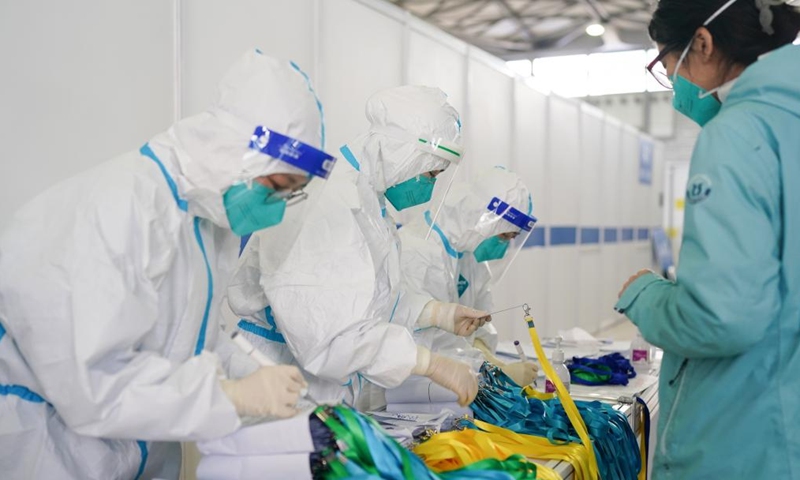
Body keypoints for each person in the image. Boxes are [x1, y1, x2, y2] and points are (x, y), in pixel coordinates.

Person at [0, 50, 336, 479]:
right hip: (54, 454)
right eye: (276, 187)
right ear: (237, 151)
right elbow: (94, 387)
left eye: (291, 193)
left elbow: (194, 338)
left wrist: (259, 375)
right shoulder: (118, 207)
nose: (278, 206)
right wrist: (232, 396)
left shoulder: (202, 223)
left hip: (137, 452)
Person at [616, 0, 800, 478]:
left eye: (667, 64)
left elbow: (720, 319)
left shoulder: (738, 134)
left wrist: (644, 293)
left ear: (703, 42)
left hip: (745, 437)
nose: (674, 84)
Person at [227, 86, 486, 410]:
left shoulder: (366, 200)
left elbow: (368, 300)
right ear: (402, 154)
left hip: (315, 382)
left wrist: (438, 313)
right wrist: (427, 363)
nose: (430, 186)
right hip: (273, 377)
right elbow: (328, 333)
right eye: (431, 173)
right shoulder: (325, 202)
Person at [398, 166, 538, 386]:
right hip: (411, 388)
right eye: (504, 235)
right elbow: (431, 343)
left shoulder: (470, 254)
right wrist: (498, 372)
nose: (504, 245)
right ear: (482, 217)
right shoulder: (418, 253)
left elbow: (478, 331)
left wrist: (494, 365)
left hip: (452, 386)